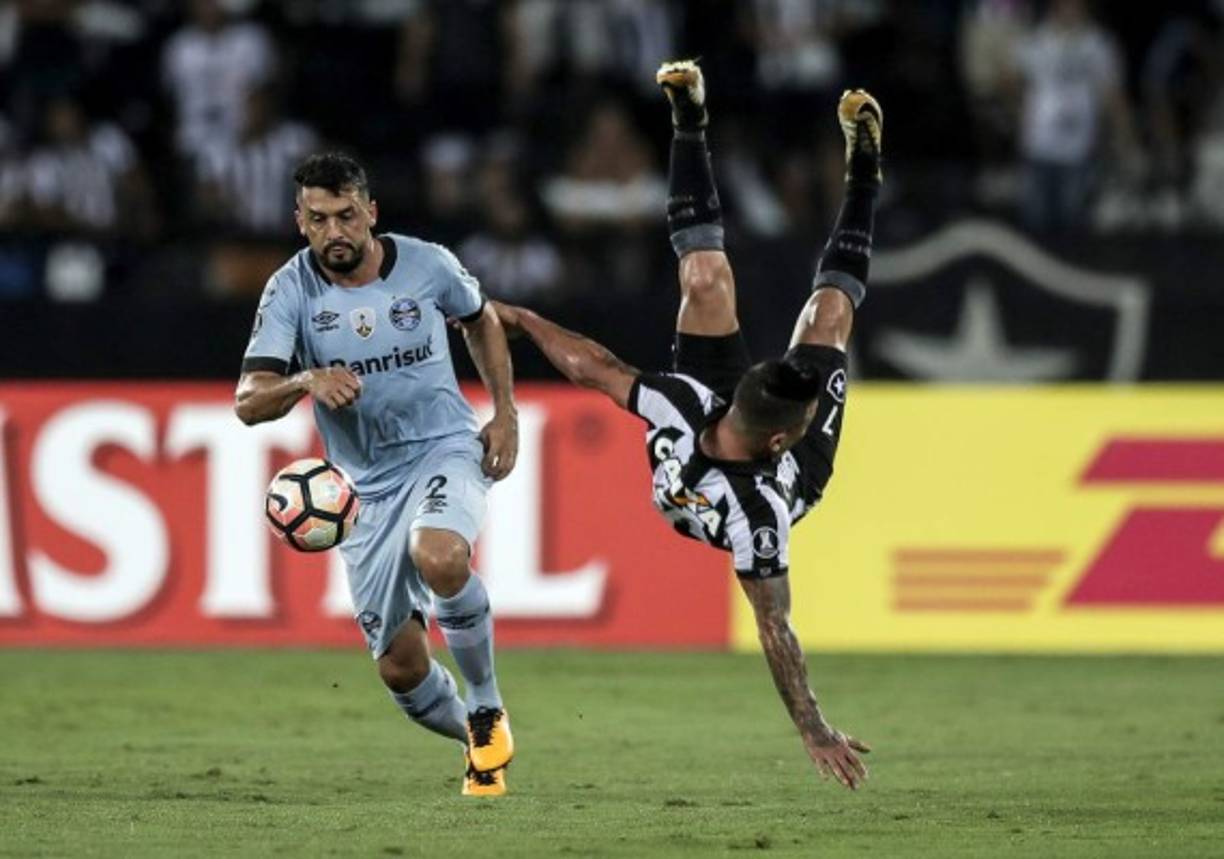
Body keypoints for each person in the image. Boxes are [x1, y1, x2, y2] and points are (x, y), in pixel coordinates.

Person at [491, 61, 878, 790]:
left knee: (830, 312)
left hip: (801, 471)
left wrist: (812, 726)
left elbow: (775, 626)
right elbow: (592, 366)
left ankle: (864, 171)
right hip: (734, 416)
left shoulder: (761, 515)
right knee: (704, 279)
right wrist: (520, 316)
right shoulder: (685, 400)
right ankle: (689, 117)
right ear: (760, 421)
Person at [234, 153, 518, 797]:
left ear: (370, 213)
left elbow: (483, 320)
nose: (335, 231)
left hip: (443, 449)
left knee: (441, 555)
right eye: (318, 219)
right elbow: (248, 400)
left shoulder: (429, 264)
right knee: (400, 669)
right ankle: (478, 746)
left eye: (346, 215)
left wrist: (505, 412)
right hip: (363, 489)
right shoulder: (289, 291)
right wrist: (306, 378)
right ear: (299, 222)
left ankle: (485, 705)